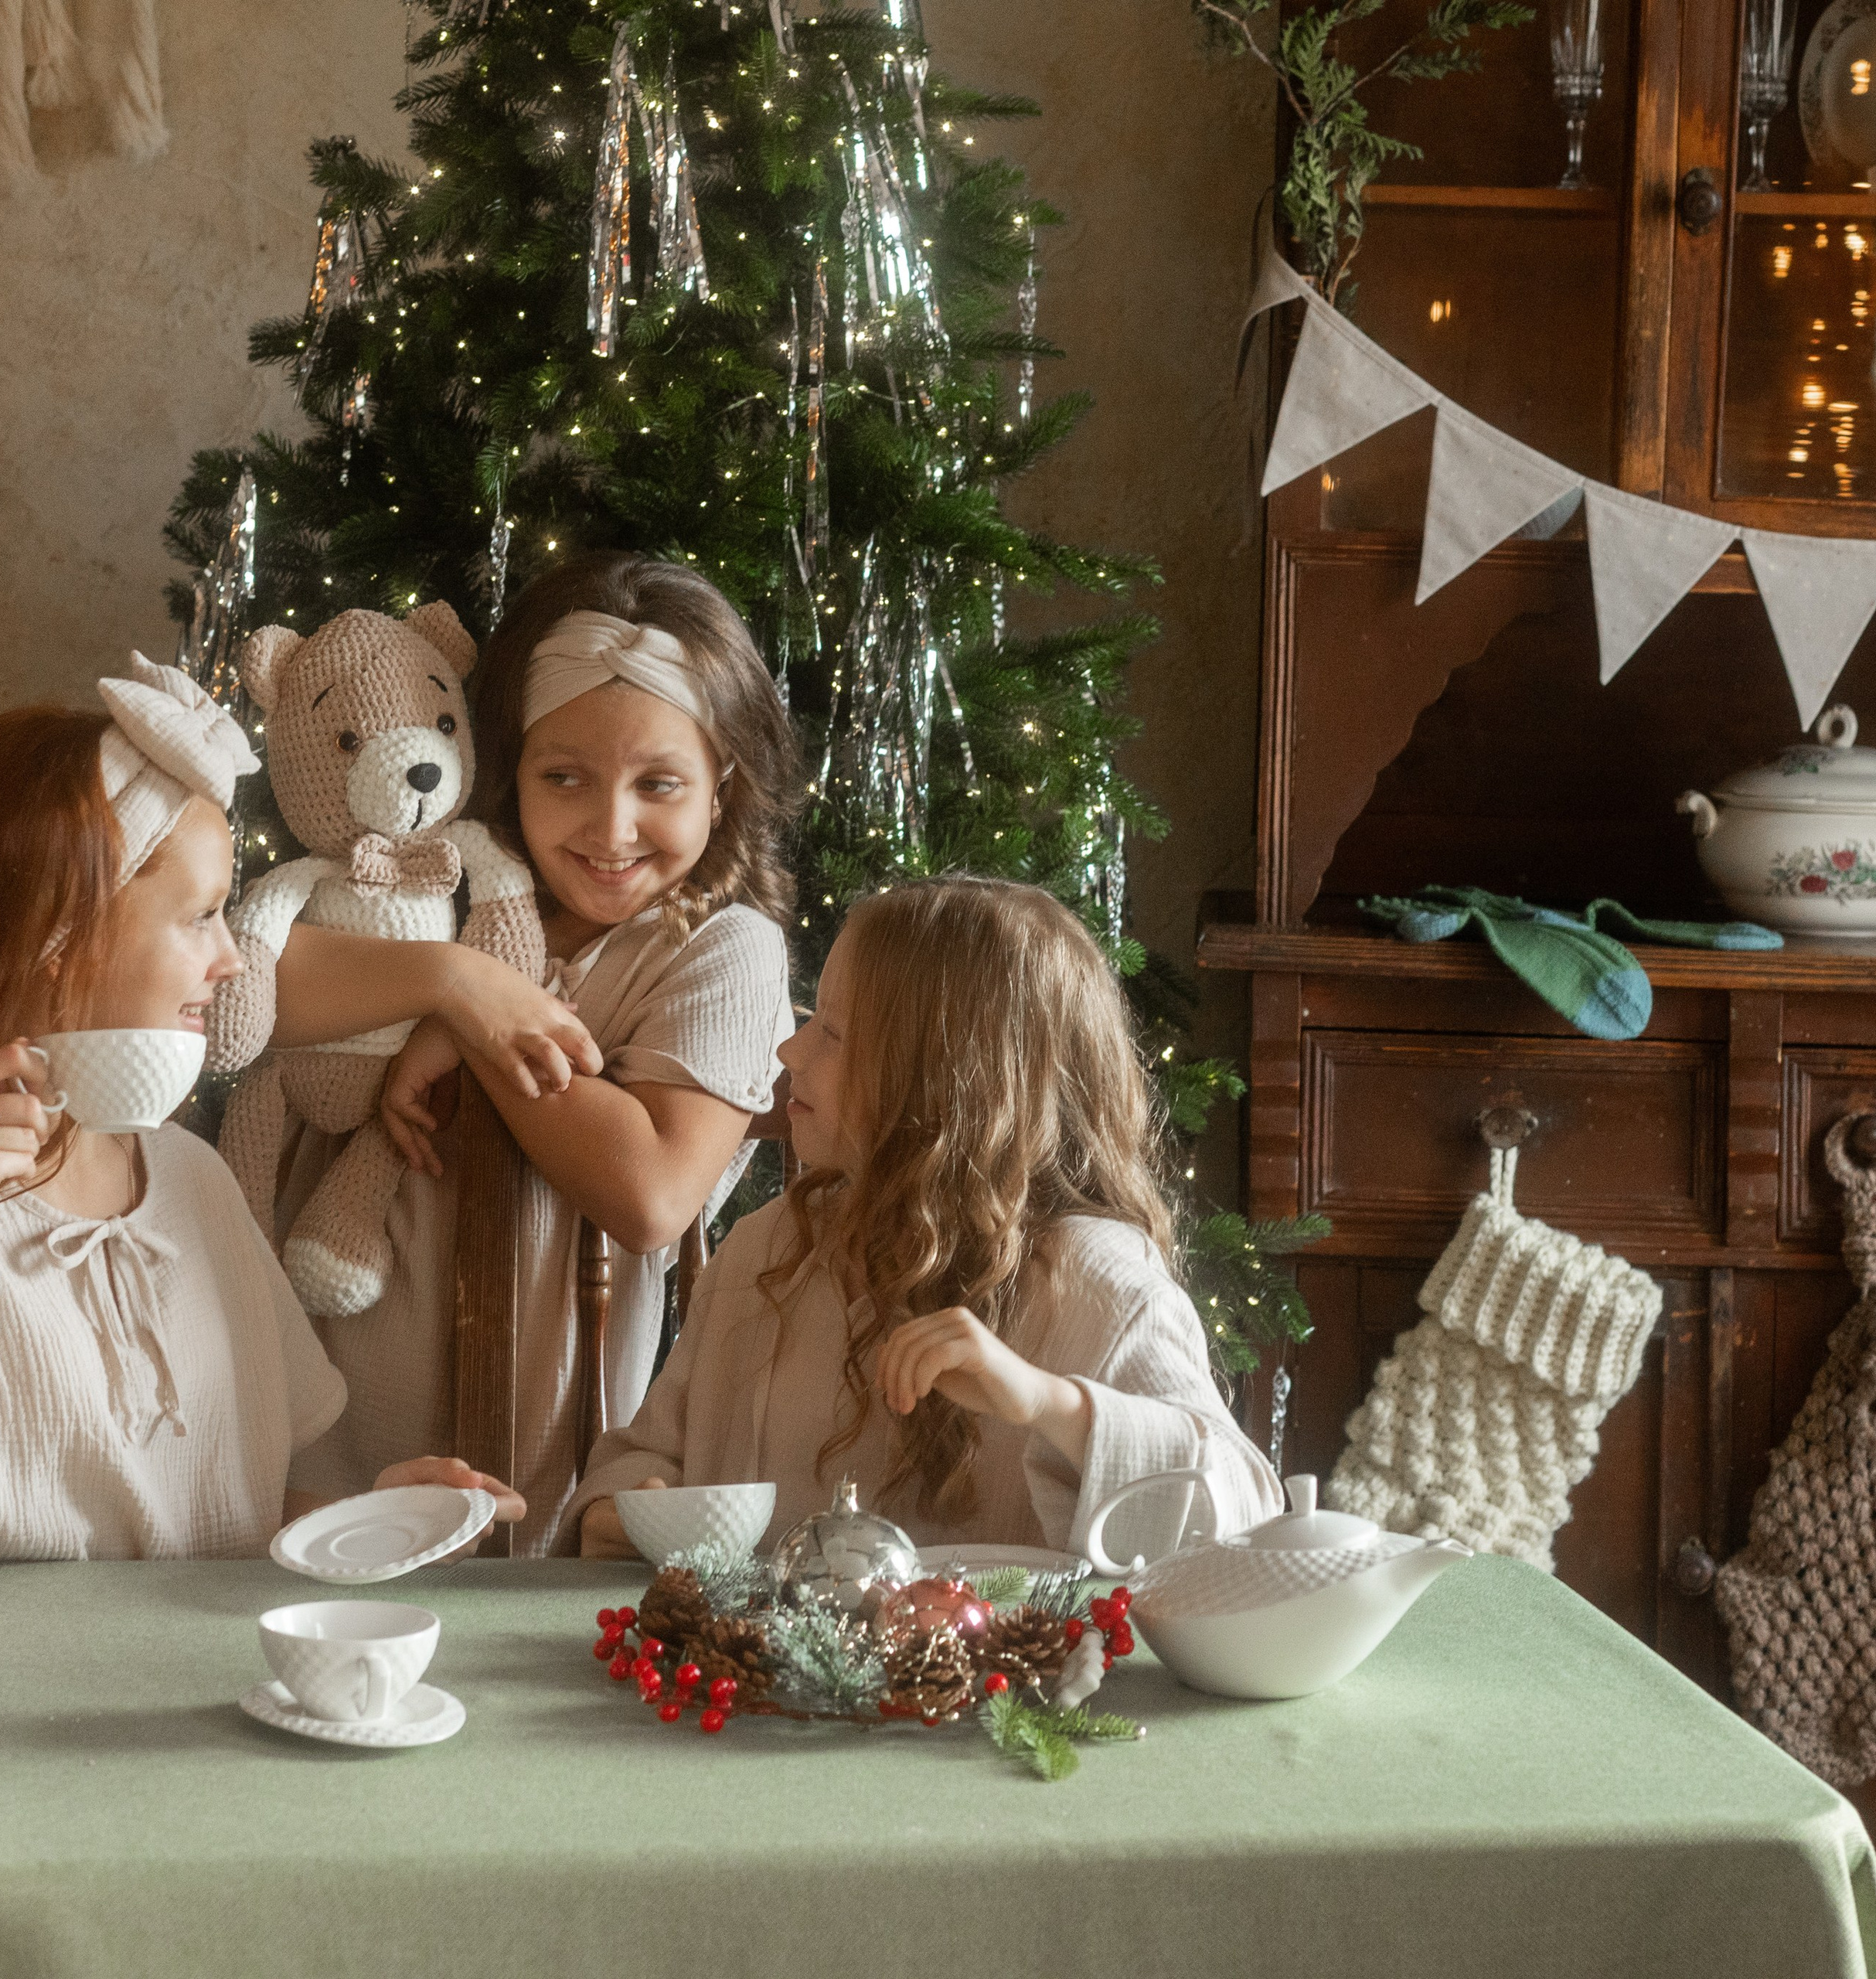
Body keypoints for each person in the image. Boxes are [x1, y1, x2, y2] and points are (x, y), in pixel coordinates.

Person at [261, 554, 800, 1552]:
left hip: (531, 1465)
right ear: (508, 766)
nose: (612, 827)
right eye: (564, 778)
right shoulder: (433, 879)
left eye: (659, 784)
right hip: (311, 1435)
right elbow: (247, 990)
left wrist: (479, 1033)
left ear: (721, 783)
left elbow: (650, 1193)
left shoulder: (720, 950)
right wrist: (459, 981)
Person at [572, 876, 1281, 1560]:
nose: (790, 1051)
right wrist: (631, 1509)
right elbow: (645, 1459)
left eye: (833, 1033)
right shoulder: (769, 1248)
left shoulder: (1092, 1280)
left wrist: (1045, 1402)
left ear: (946, 1079)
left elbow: (1244, 1513)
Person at [0, 662, 521, 1560]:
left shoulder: (193, 1182)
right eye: (200, 915)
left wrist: (374, 1521)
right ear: (62, 934)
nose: (233, 959)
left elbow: (253, 1516)